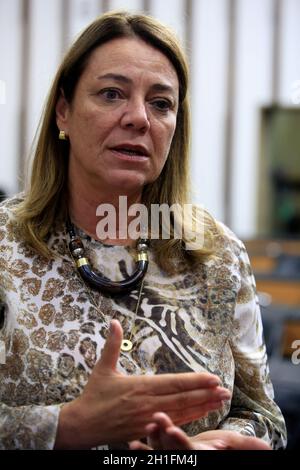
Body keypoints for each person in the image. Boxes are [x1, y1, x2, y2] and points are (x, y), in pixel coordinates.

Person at [0, 11, 286, 450]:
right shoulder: (6, 246)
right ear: (64, 112)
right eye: (111, 94)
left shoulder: (218, 254)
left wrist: (217, 446)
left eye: (160, 103)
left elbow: (263, 417)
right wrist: (67, 426)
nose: (138, 118)